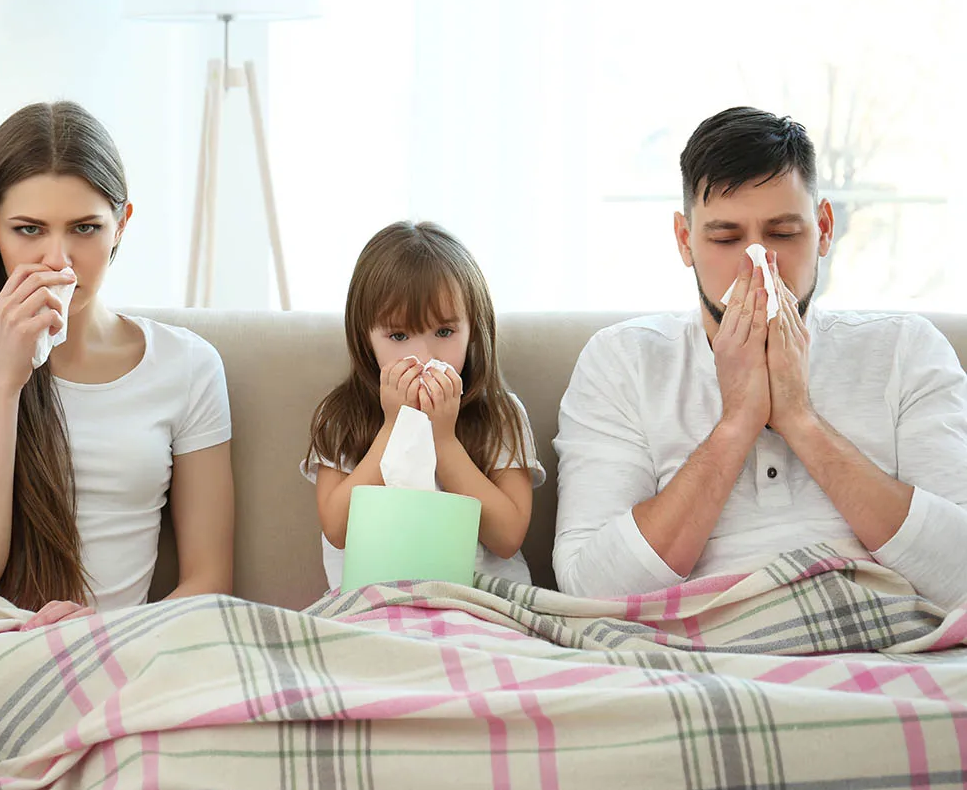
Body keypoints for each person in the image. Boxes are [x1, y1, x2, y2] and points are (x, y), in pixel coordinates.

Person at [553, 106, 967, 609]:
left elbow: (960, 575)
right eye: (726, 238)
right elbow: (589, 590)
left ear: (824, 228)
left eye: (784, 234)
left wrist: (799, 418)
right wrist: (736, 424)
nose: (758, 262)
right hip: (691, 644)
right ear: (685, 241)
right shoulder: (621, 360)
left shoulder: (907, 349)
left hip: (877, 627)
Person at [0, 101, 235, 612]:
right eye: (28, 229)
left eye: (85, 228)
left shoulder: (188, 365)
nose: (58, 260)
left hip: (127, 658)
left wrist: (104, 636)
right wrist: (3, 379)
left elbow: (210, 581)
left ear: (121, 224)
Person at [303, 220, 545, 589]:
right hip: (377, 606)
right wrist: (392, 429)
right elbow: (338, 529)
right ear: (365, 338)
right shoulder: (340, 416)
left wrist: (444, 440)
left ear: (473, 330)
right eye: (398, 335)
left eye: (444, 332)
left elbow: (508, 537)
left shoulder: (501, 415)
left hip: (481, 607)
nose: (423, 354)